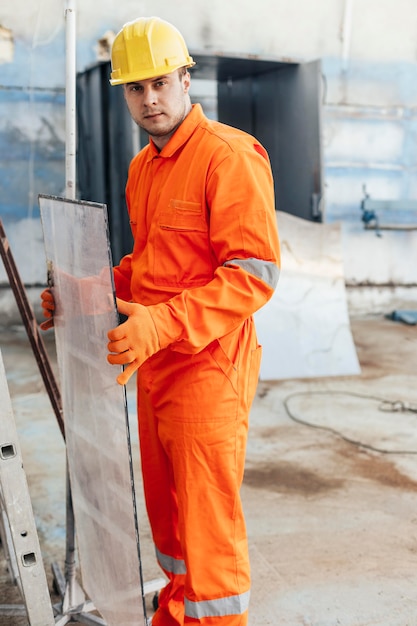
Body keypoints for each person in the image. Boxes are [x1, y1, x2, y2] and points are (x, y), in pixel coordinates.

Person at [41, 16, 280, 626]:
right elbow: (147, 266)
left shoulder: (228, 156)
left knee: (207, 533)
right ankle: (175, 616)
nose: (149, 100)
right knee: (169, 523)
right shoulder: (143, 167)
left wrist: (163, 324)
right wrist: (81, 293)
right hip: (155, 371)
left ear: (184, 79)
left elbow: (253, 275)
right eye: (135, 88)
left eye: (159, 83)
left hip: (207, 371)